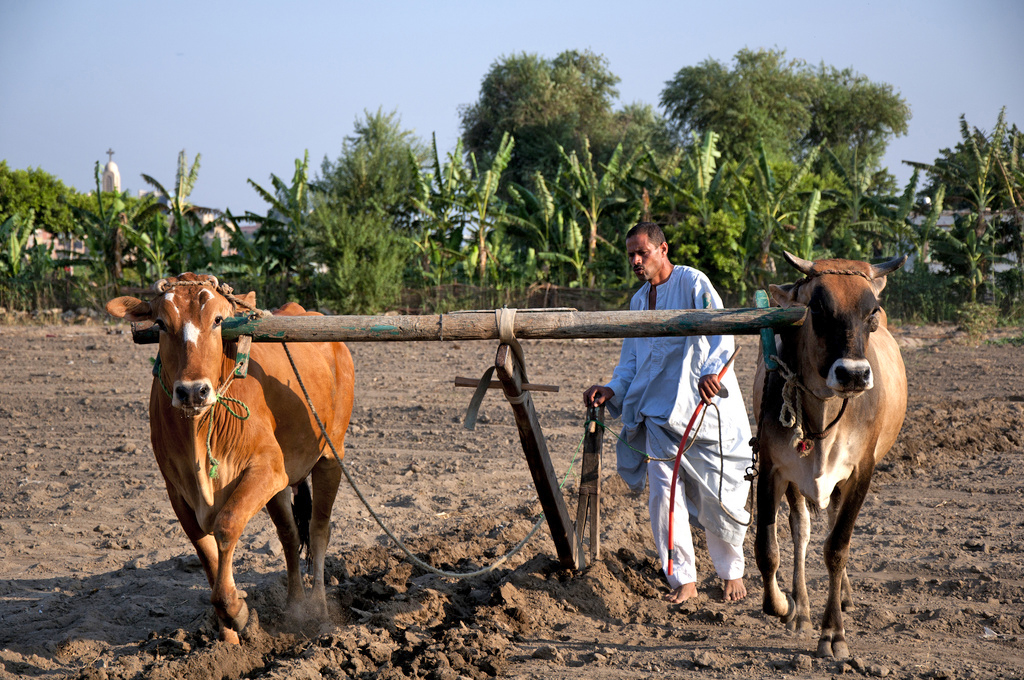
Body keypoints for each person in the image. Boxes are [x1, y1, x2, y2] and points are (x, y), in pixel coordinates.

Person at [584, 222, 752, 603]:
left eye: (642, 252)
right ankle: (684, 580)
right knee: (663, 495)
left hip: (704, 412)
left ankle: (730, 572)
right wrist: (612, 389)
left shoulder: (694, 284)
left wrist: (712, 371)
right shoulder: (638, 302)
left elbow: (720, 332)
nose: (636, 260)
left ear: (663, 249)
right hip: (658, 415)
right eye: (630, 255)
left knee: (719, 493)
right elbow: (631, 362)